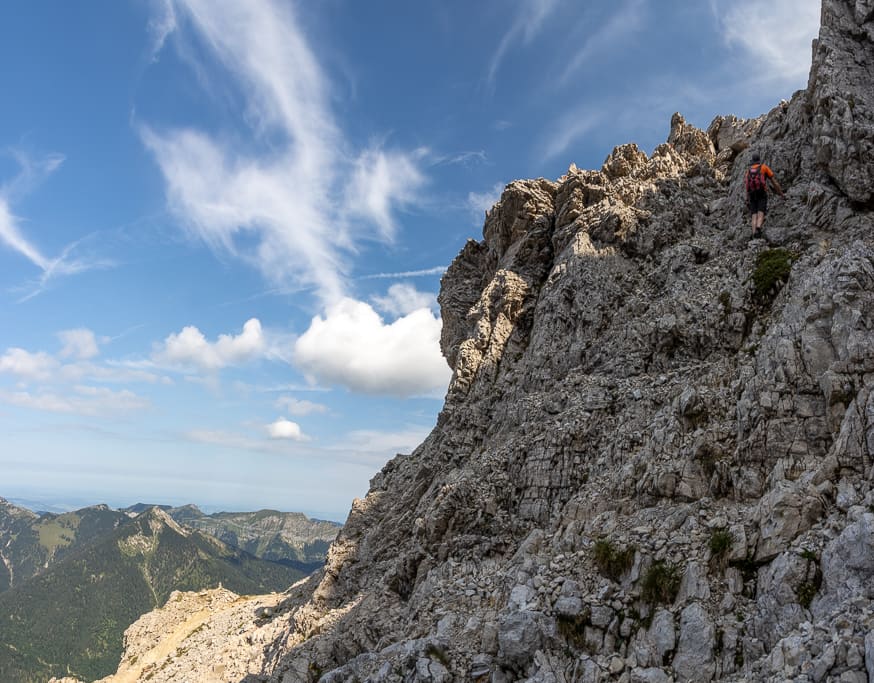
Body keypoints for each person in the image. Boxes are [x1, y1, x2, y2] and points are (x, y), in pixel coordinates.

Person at [744, 152, 784, 239]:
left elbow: (747, 187)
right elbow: (774, 182)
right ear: (759, 160)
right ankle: (758, 227)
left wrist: (747, 199)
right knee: (761, 211)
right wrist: (781, 193)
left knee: (754, 214)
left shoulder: (748, 171)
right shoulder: (764, 167)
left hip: (752, 194)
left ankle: (754, 233)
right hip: (761, 193)